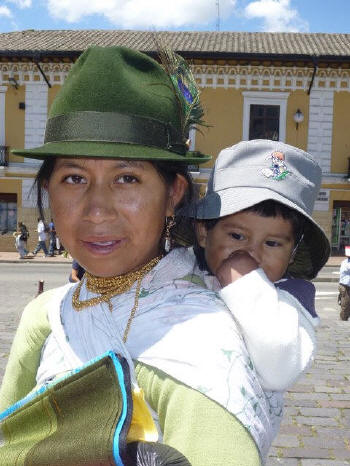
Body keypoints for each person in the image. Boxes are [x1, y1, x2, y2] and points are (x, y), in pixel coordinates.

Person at [0, 46, 268, 465]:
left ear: (173, 194)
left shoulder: (202, 347)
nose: (97, 209)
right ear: (49, 188)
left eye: (127, 178)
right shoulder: (44, 317)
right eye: (74, 177)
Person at [192, 139, 330, 434]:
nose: (253, 253)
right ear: (204, 232)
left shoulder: (291, 302)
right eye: (237, 236)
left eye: (272, 243)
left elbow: (279, 367)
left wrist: (244, 283)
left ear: (292, 253)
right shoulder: (180, 271)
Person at [338, 245, 350, 321]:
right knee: (345, 304)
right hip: (345, 286)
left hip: (346, 285)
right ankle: (343, 318)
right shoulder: (346, 263)